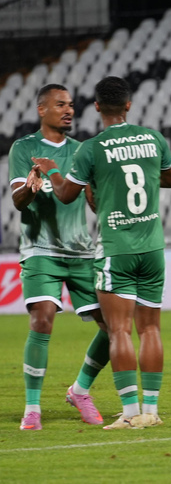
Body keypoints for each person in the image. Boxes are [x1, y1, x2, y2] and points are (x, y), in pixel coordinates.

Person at [33, 76, 171, 427]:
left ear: (97, 106)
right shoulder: (154, 138)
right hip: (153, 247)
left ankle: (130, 413)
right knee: (151, 329)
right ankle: (151, 411)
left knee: (119, 331)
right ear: (128, 105)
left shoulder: (91, 149)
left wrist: (53, 170)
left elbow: (66, 194)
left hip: (117, 250)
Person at [10, 84, 110, 430]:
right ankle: (32, 408)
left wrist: (101, 194)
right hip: (40, 249)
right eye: (60, 104)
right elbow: (18, 201)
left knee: (113, 327)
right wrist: (31, 184)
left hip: (81, 252)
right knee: (42, 320)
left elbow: (93, 203)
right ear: (42, 109)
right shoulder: (24, 148)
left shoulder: (82, 150)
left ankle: (80, 390)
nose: (69, 110)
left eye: (70, 105)